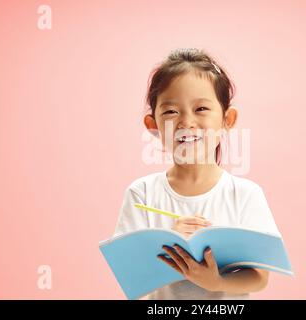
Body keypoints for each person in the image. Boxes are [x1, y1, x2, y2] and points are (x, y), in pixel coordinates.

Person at [114, 48, 283, 300]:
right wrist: (170, 243)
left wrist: (216, 282)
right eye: (171, 111)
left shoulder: (245, 194)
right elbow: (129, 274)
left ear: (228, 120)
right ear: (153, 126)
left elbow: (260, 277)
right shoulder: (142, 194)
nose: (186, 122)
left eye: (201, 109)